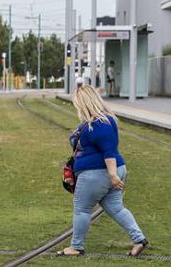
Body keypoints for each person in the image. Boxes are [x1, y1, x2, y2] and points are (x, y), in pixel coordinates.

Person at [57, 85, 148, 257]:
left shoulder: (99, 124)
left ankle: (76, 247)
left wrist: (113, 175)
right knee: (116, 208)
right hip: (105, 173)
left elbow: (109, 151)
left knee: (82, 209)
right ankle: (139, 239)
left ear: (84, 103)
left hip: (98, 174)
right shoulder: (98, 121)